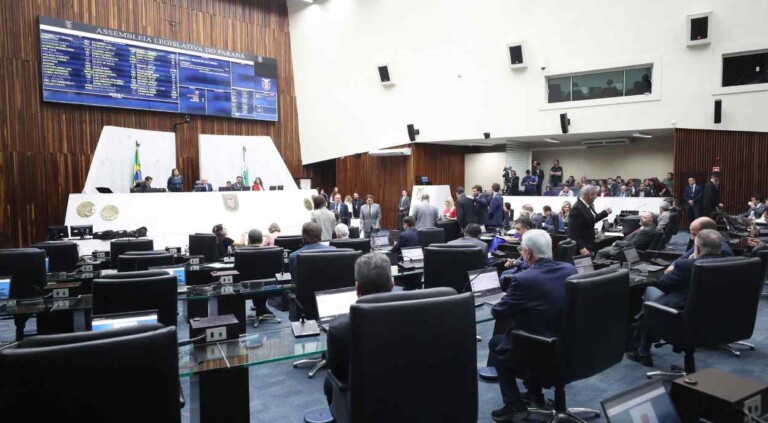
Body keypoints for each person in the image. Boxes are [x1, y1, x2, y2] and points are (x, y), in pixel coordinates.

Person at [489, 230, 578, 420]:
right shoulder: (569, 269)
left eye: (521, 250)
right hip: (570, 344)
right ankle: (534, 394)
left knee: (496, 344)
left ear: (527, 253)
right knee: (530, 330)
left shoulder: (523, 279)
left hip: (544, 348)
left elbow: (498, 312)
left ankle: (514, 405)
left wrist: (507, 299)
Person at [626, 229, 724, 367]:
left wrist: (672, 271)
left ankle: (643, 350)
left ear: (697, 248)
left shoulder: (687, 265)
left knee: (649, 293)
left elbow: (663, 285)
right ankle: (645, 339)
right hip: (715, 317)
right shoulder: (732, 263)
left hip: (682, 317)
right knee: (653, 303)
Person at [324, 252, 394, 406]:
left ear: (357, 288)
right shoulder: (418, 317)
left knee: (329, 382)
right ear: (392, 284)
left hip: (363, 407)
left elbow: (337, 372)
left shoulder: (339, 330)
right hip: (409, 397)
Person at [568, 185, 612, 256]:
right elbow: (573, 232)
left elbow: (591, 220)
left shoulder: (586, 206)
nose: (596, 197)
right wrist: (581, 248)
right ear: (590, 195)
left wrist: (605, 212)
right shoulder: (577, 209)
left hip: (588, 245)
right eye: (595, 195)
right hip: (582, 249)